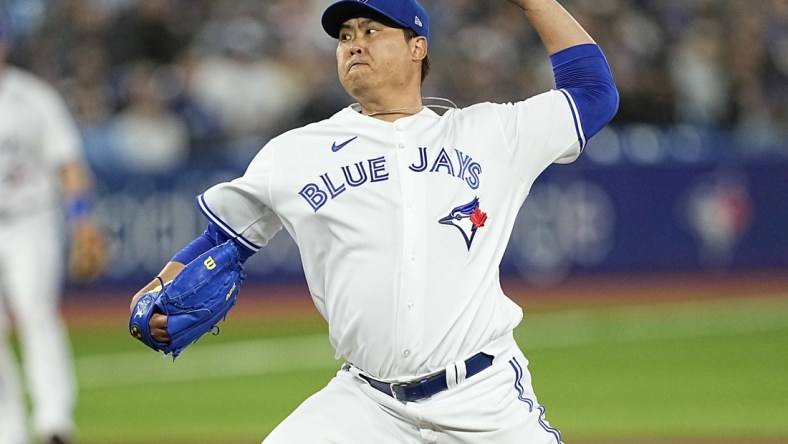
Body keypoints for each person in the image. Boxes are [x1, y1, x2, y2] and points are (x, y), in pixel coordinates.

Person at [130, 0, 618, 442]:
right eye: (344, 36)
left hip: (484, 399)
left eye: (371, 30)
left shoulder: (490, 133)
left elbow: (595, 93)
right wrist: (155, 287)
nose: (354, 43)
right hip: (366, 405)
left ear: (417, 47)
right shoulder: (296, 153)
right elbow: (223, 241)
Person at [0, 18, 106, 444]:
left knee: (35, 312)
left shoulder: (32, 96)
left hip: (30, 220)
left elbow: (69, 166)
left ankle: (53, 421)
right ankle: (9, 432)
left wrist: (81, 220)